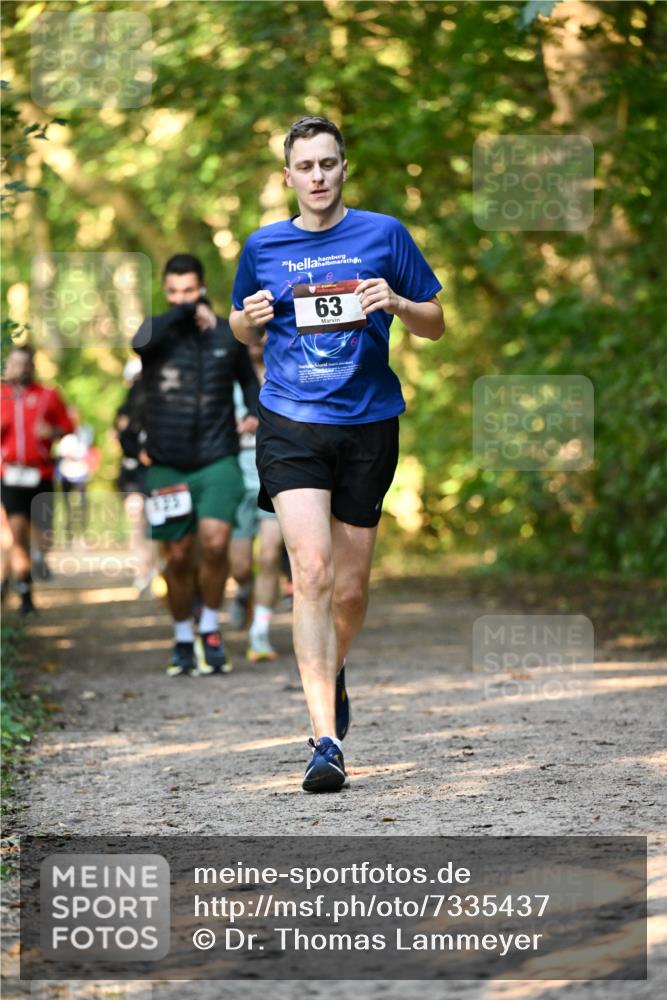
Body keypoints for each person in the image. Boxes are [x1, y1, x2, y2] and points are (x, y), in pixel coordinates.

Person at [230, 116, 445, 792]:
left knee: (349, 591)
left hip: (369, 423)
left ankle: (332, 663)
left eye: (328, 163)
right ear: (288, 175)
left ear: (342, 168)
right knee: (313, 572)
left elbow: (435, 323)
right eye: (305, 166)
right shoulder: (263, 245)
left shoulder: (383, 235)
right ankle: (324, 741)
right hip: (291, 421)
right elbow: (238, 321)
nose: (317, 176)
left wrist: (399, 302)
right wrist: (250, 320)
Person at [132, 254, 260, 676]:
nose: (180, 298)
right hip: (167, 464)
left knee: (217, 542)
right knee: (181, 555)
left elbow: (248, 379)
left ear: (202, 286)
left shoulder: (227, 333)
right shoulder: (157, 331)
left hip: (218, 456)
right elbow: (139, 343)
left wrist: (254, 411)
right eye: (174, 292)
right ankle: (182, 635)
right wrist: (187, 312)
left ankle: (209, 627)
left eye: (189, 291)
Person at [1, 345, 74, 613]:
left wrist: (52, 430)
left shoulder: (47, 395)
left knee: (43, 535)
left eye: (24, 364)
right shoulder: (1, 396)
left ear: (32, 366)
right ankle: (24, 590)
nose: (19, 368)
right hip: (9, 474)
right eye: (14, 363)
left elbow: (68, 426)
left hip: (40, 473)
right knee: (16, 530)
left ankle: (36, 561)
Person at [228, 340, 284, 662]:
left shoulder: (284, 372)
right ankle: (243, 590)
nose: (256, 339)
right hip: (237, 480)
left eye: (263, 332)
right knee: (239, 566)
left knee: (269, 555)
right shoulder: (228, 378)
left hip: (274, 478)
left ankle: (259, 634)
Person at [113, 358, 154, 594]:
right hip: (132, 473)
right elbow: (122, 437)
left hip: (156, 471)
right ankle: (141, 569)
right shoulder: (124, 410)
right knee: (136, 518)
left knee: (157, 521)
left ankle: (157, 569)